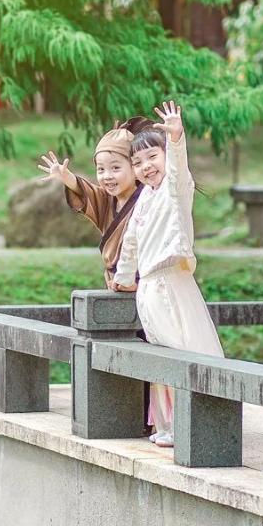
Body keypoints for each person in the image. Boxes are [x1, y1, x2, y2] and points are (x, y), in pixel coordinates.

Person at [112, 100, 223, 448]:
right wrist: (124, 278)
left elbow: (177, 173)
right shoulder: (144, 199)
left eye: (152, 157)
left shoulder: (176, 191)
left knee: (184, 346)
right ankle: (168, 423)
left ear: (165, 157)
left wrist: (176, 138)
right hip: (148, 288)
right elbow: (130, 242)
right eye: (138, 162)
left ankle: (198, 420)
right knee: (162, 352)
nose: (146, 167)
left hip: (172, 281)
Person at [38, 117, 149, 289]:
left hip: (144, 283)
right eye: (101, 169)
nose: (107, 176)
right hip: (114, 283)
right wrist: (66, 176)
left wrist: (136, 282)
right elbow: (84, 191)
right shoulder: (105, 200)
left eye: (115, 168)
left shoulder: (149, 199)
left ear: (135, 168)